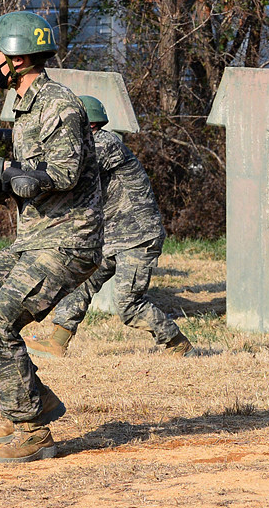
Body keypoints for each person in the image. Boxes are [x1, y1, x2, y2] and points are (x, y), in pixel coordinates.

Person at [0, 11, 104, 463]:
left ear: (18, 58)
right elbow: (19, 180)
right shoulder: (22, 106)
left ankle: (32, 430)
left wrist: (4, 168)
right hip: (32, 239)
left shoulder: (59, 104)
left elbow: (64, 173)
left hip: (68, 239)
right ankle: (36, 400)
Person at [24, 95, 196, 360]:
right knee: (79, 283)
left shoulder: (105, 143)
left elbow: (70, 174)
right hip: (111, 237)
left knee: (129, 305)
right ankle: (57, 343)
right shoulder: (88, 144)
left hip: (138, 237)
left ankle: (179, 344)